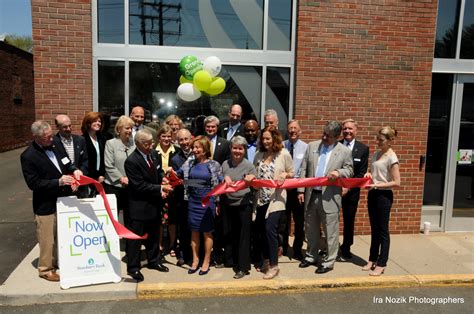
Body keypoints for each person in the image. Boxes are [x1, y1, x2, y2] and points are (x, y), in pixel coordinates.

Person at [21, 120, 83, 281]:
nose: (51, 139)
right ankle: (46, 269)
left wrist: (74, 171)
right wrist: (58, 182)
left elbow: (66, 162)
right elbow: (33, 183)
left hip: (64, 200)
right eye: (46, 138)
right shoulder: (28, 156)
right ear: (35, 137)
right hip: (45, 203)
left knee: (62, 235)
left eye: (50, 135)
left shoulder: (55, 143)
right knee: (47, 239)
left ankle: (60, 262)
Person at [298, 121, 353, 274]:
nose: (323, 137)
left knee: (331, 231)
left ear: (336, 137)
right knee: (310, 229)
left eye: (327, 136)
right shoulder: (312, 146)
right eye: (323, 133)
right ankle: (311, 256)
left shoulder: (344, 151)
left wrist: (339, 173)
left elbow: (349, 170)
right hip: (311, 195)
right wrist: (301, 191)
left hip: (330, 197)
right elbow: (304, 168)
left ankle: (329, 261)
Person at [124, 129, 173, 282]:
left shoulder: (152, 155)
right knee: (135, 239)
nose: (151, 145)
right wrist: (160, 188)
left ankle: (154, 261)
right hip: (139, 206)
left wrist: (162, 181)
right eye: (147, 143)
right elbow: (139, 186)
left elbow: (156, 174)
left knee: (153, 235)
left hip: (153, 204)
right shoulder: (131, 161)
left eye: (152, 142)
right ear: (138, 143)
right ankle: (133, 267)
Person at [245, 126, 294, 279]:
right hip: (260, 199)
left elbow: (292, 173)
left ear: (275, 139)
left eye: (268, 138)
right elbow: (254, 174)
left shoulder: (283, 154)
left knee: (269, 229)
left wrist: (285, 174)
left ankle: (274, 265)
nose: (265, 141)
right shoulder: (259, 155)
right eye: (263, 138)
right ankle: (265, 260)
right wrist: (250, 178)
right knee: (260, 231)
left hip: (276, 199)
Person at [178, 136, 222, 275]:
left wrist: (217, 201)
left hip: (207, 202)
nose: (195, 150)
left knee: (207, 232)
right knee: (194, 232)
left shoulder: (214, 164)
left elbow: (219, 184)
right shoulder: (190, 162)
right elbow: (180, 175)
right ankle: (195, 260)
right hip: (193, 201)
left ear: (205, 149)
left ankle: (206, 261)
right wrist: (170, 173)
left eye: (198, 147)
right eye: (194, 147)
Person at [363, 126, 401, 276]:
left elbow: (397, 182)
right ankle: (372, 259)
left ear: (390, 141)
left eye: (381, 139)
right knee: (374, 229)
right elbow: (374, 172)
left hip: (384, 197)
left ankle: (382, 263)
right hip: (373, 193)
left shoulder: (392, 157)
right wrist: (368, 174)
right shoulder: (377, 153)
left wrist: (377, 184)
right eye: (377, 138)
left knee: (383, 230)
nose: (377, 141)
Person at [221, 136, 257, 279]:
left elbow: (256, 186)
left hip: (243, 205)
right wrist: (224, 178)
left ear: (245, 150)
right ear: (230, 149)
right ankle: (231, 261)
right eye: (235, 148)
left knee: (243, 237)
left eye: (240, 148)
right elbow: (221, 180)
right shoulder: (225, 164)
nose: (237, 151)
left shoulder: (250, 166)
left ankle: (243, 267)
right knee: (230, 234)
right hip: (228, 205)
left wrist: (251, 179)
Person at [339, 119, 369, 261]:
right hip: (334, 191)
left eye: (350, 129)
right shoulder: (336, 145)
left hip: (352, 193)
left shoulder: (363, 149)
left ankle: (346, 248)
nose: (347, 131)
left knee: (349, 221)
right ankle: (329, 246)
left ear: (356, 130)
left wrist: (347, 187)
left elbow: (361, 173)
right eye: (345, 129)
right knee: (330, 220)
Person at [282, 120, 308, 260]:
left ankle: (297, 250)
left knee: (299, 222)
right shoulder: (282, 145)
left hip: (298, 191)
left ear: (300, 131)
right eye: (290, 128)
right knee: (284, 221)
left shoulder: (306, 147)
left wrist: (301, 190)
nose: (292, 130)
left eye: (295, 128)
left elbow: (305, 170)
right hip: (284, 189)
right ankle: (284, 247)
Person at [104, 116, 135, 227]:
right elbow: (108, 165)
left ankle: (129, 241)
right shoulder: (110, 143)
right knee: (113, 216)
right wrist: (121, 178)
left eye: (131, 128)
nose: (130, 131)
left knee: (130, 216)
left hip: (130, 186)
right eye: (127, 128)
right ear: (119, 129)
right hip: (114, 186)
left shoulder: (133, 144)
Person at [155, 125, 181, 259]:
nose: (166, 139)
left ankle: (172, 246)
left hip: (174, 190)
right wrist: (162, 181)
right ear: (159, 137)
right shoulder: (153, 151)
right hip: (158, 190)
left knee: (172, 220)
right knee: (159, 220)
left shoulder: (177, 150)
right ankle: (159, 245)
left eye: (169, 136)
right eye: (163, 136)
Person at [170, 128, 194, 266]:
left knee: (196, 229)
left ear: (191, 138)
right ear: (177, 142)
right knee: (184, 229)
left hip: (197, 199)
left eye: (186, 139)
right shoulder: (175, 159)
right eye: (181, 140)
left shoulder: (198, 153)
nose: (184, 142)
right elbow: (176, 181)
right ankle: (185, 255)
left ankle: (198, 255)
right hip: (182, 200)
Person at [53, 114, 88, 198]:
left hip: (80, 184)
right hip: (62, 187)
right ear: (58, 127)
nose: (68, 129)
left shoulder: (80, 140)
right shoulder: (53, 142)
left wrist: (79, 179)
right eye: (65, 127)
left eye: (70, 126)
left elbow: (85, 160)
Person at [81, 112, 106, 196]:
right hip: (88, 179)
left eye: (99, 121)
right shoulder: (82, 139)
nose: (98, 123)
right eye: (95, 121)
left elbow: (103, 158)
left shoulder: (102, 139)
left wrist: (101, 174)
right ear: (88, 123)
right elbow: (85, 161)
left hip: (101, 178)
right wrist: (96, 176)